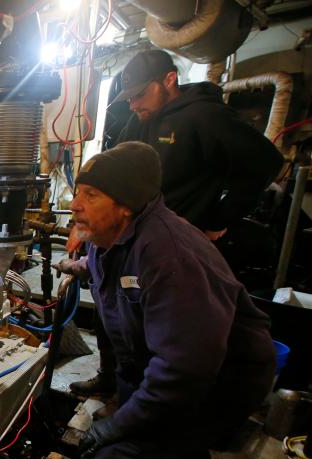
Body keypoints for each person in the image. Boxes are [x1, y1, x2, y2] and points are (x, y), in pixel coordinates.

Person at [68, 142, 284, 459]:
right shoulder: (114, 240)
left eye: (91, 194)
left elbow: (182, 373)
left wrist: (116, 426)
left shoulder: (170, 254)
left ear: (124, 204)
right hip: (167, 371)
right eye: (77, 191)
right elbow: (116, 278)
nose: (75, 204)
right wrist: (79, 264)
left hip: (217, 382)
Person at [64, 49, 284, 396]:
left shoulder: (204, 117)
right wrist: (83, 226)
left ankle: (153, 398)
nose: (134, 104)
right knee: (112, 310)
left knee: (164, 334)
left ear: (169, 80)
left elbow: (266, 162)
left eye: (140, 95)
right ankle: (112, 378)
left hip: (171, 244)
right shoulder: (140, 121)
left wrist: (218, 219)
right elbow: (108, 175)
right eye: (130, 97)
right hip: (127, 238)